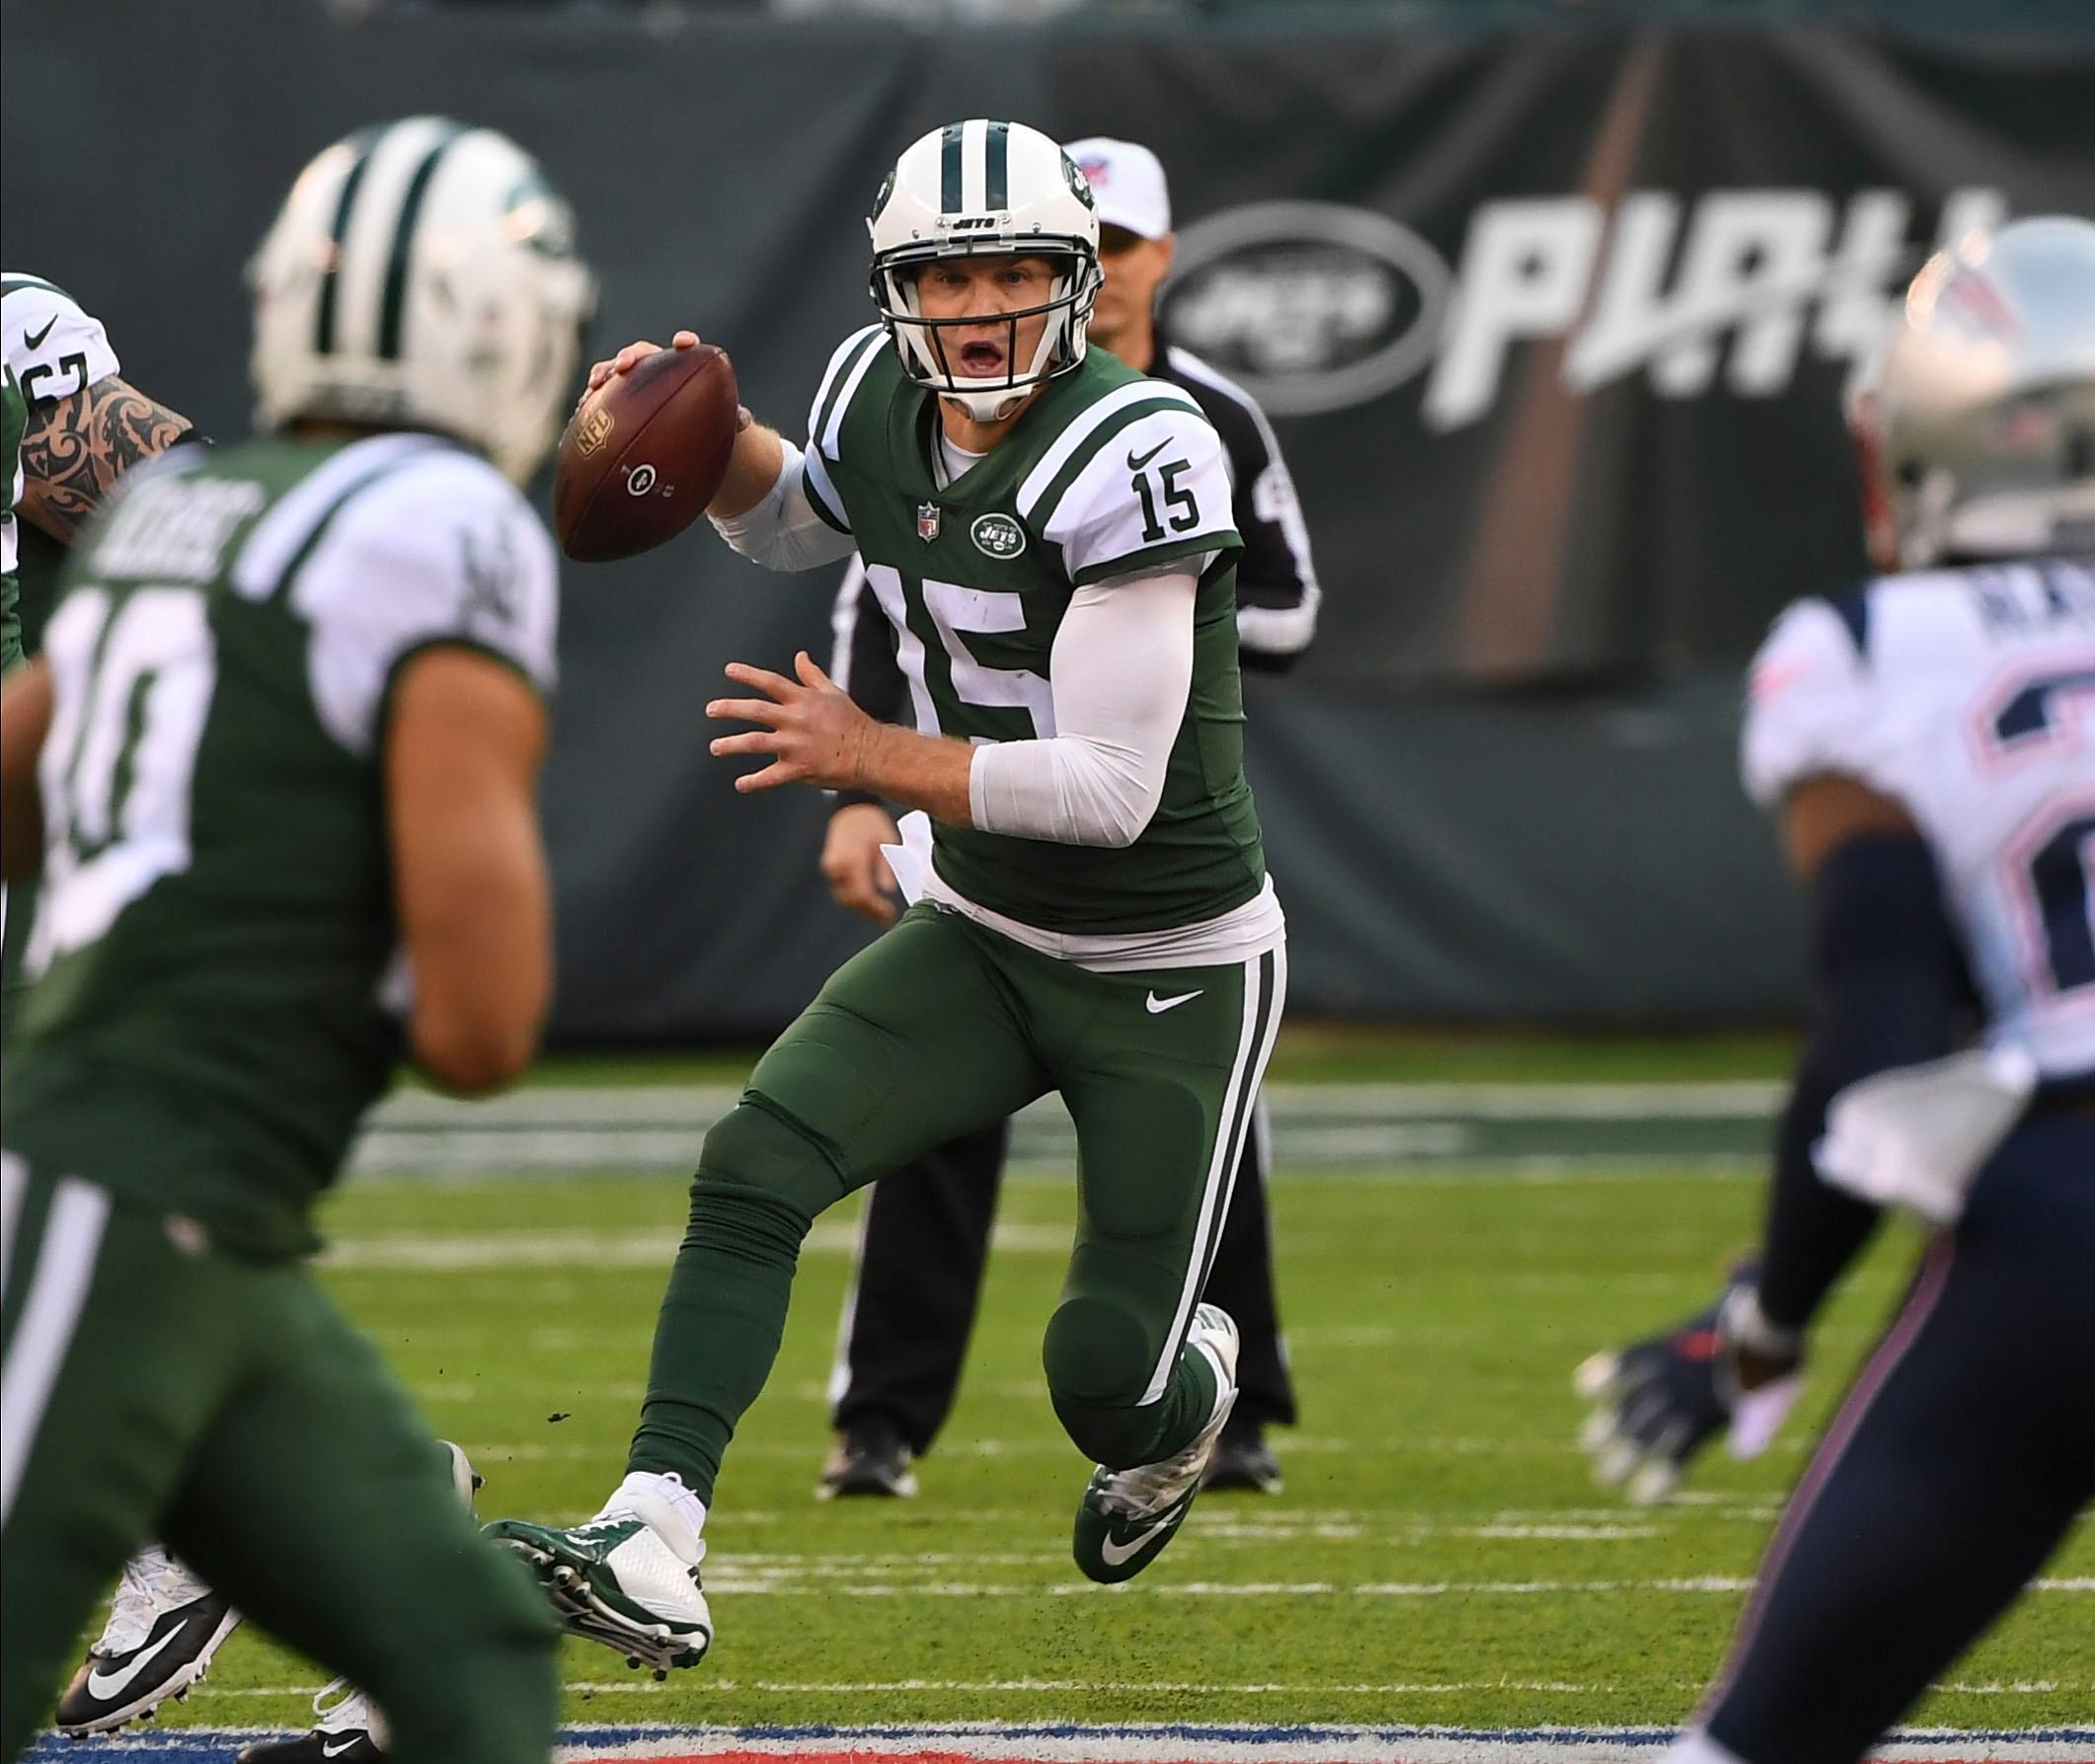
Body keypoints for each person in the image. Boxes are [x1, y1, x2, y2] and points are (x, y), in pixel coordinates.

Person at [486, 116, 1284, 1674]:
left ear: (1073, 278)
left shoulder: (1146, 442)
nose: (980, 308)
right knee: (757, 1157)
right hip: (984, 925)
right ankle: (653, 1529)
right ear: (892, 289)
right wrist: (703, 448)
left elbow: (1114, 794)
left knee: (1098, 1378)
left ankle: (1181, 1394)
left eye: (1014, 272)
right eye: (945, 276)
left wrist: (869, 754)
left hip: (1167, 957)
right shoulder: (868, 392)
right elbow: (801, 521)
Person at [0, 114, 596, 1763]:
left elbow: (18, 790)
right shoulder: (439, 525)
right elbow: (482, 1031)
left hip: (196, 1208)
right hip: (126, 1172)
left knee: (469, 1666)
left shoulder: (180, 517)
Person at [1574, 215, 2095, 1764]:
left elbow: (1877, 1042)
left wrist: (1767, 1317)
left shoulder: (1868, 649)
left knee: (1761, 1745)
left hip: (2067, 1224)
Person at [816, 135, 1318, 1501]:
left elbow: (1288, 606)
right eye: (970, 268)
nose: (1018, 293)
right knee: (928, 1118)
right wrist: (870, 781)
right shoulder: (931, 400)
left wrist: (1156, 597)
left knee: (1200, 1126)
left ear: (1138, 258)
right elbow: (873, 586)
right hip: (965, 806)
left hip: (1146, 818)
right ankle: (880, 1417)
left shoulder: (1191, 417)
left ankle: (1236, 1393)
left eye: (1109, 247)